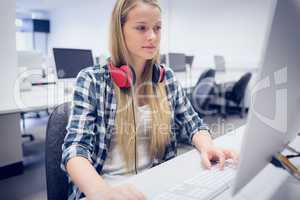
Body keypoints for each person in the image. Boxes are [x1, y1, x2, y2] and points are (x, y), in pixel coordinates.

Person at [61, 0, 239, 199]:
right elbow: (75, 149)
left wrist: (208, 146)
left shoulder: (166, 78)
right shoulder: (92, 80)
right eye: (141, 28)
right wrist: (101, 191)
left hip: (155, 185)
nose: (152, 36)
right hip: (106, 188)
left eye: (157, 28)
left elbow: (194, 125)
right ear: (120, 31)